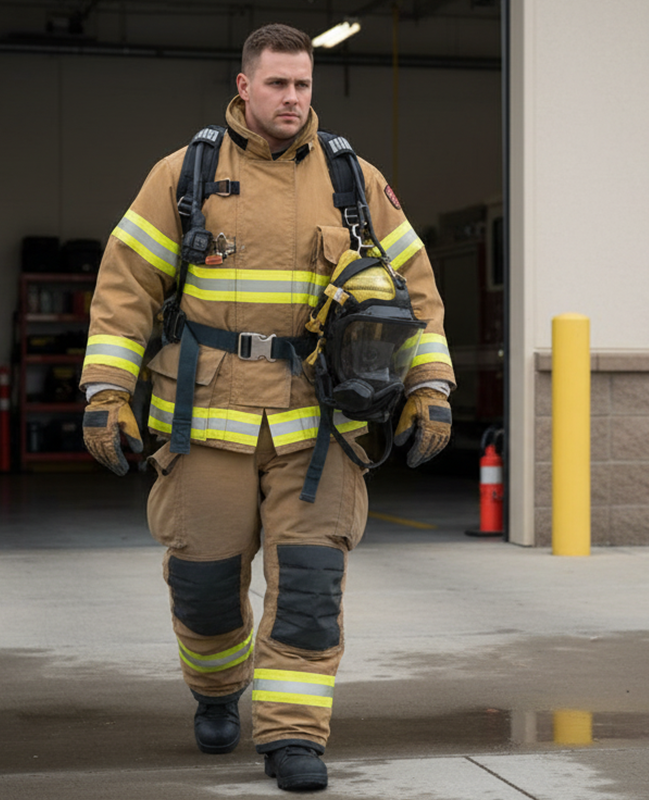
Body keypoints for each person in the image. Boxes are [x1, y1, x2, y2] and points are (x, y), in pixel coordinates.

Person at [78, 22, 455, 792]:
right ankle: (217, 691)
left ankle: (293, 738)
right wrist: (106, 394)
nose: (292, 97)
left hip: (323, 429)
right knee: (205, 587)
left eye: (303, 84)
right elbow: (125, 292)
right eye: (278, 83)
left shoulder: (353, 181)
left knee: (310, 591)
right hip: (204, 425)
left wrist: (430, 387)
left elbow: (415, 294)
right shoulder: (184, 175)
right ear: (244, 86)